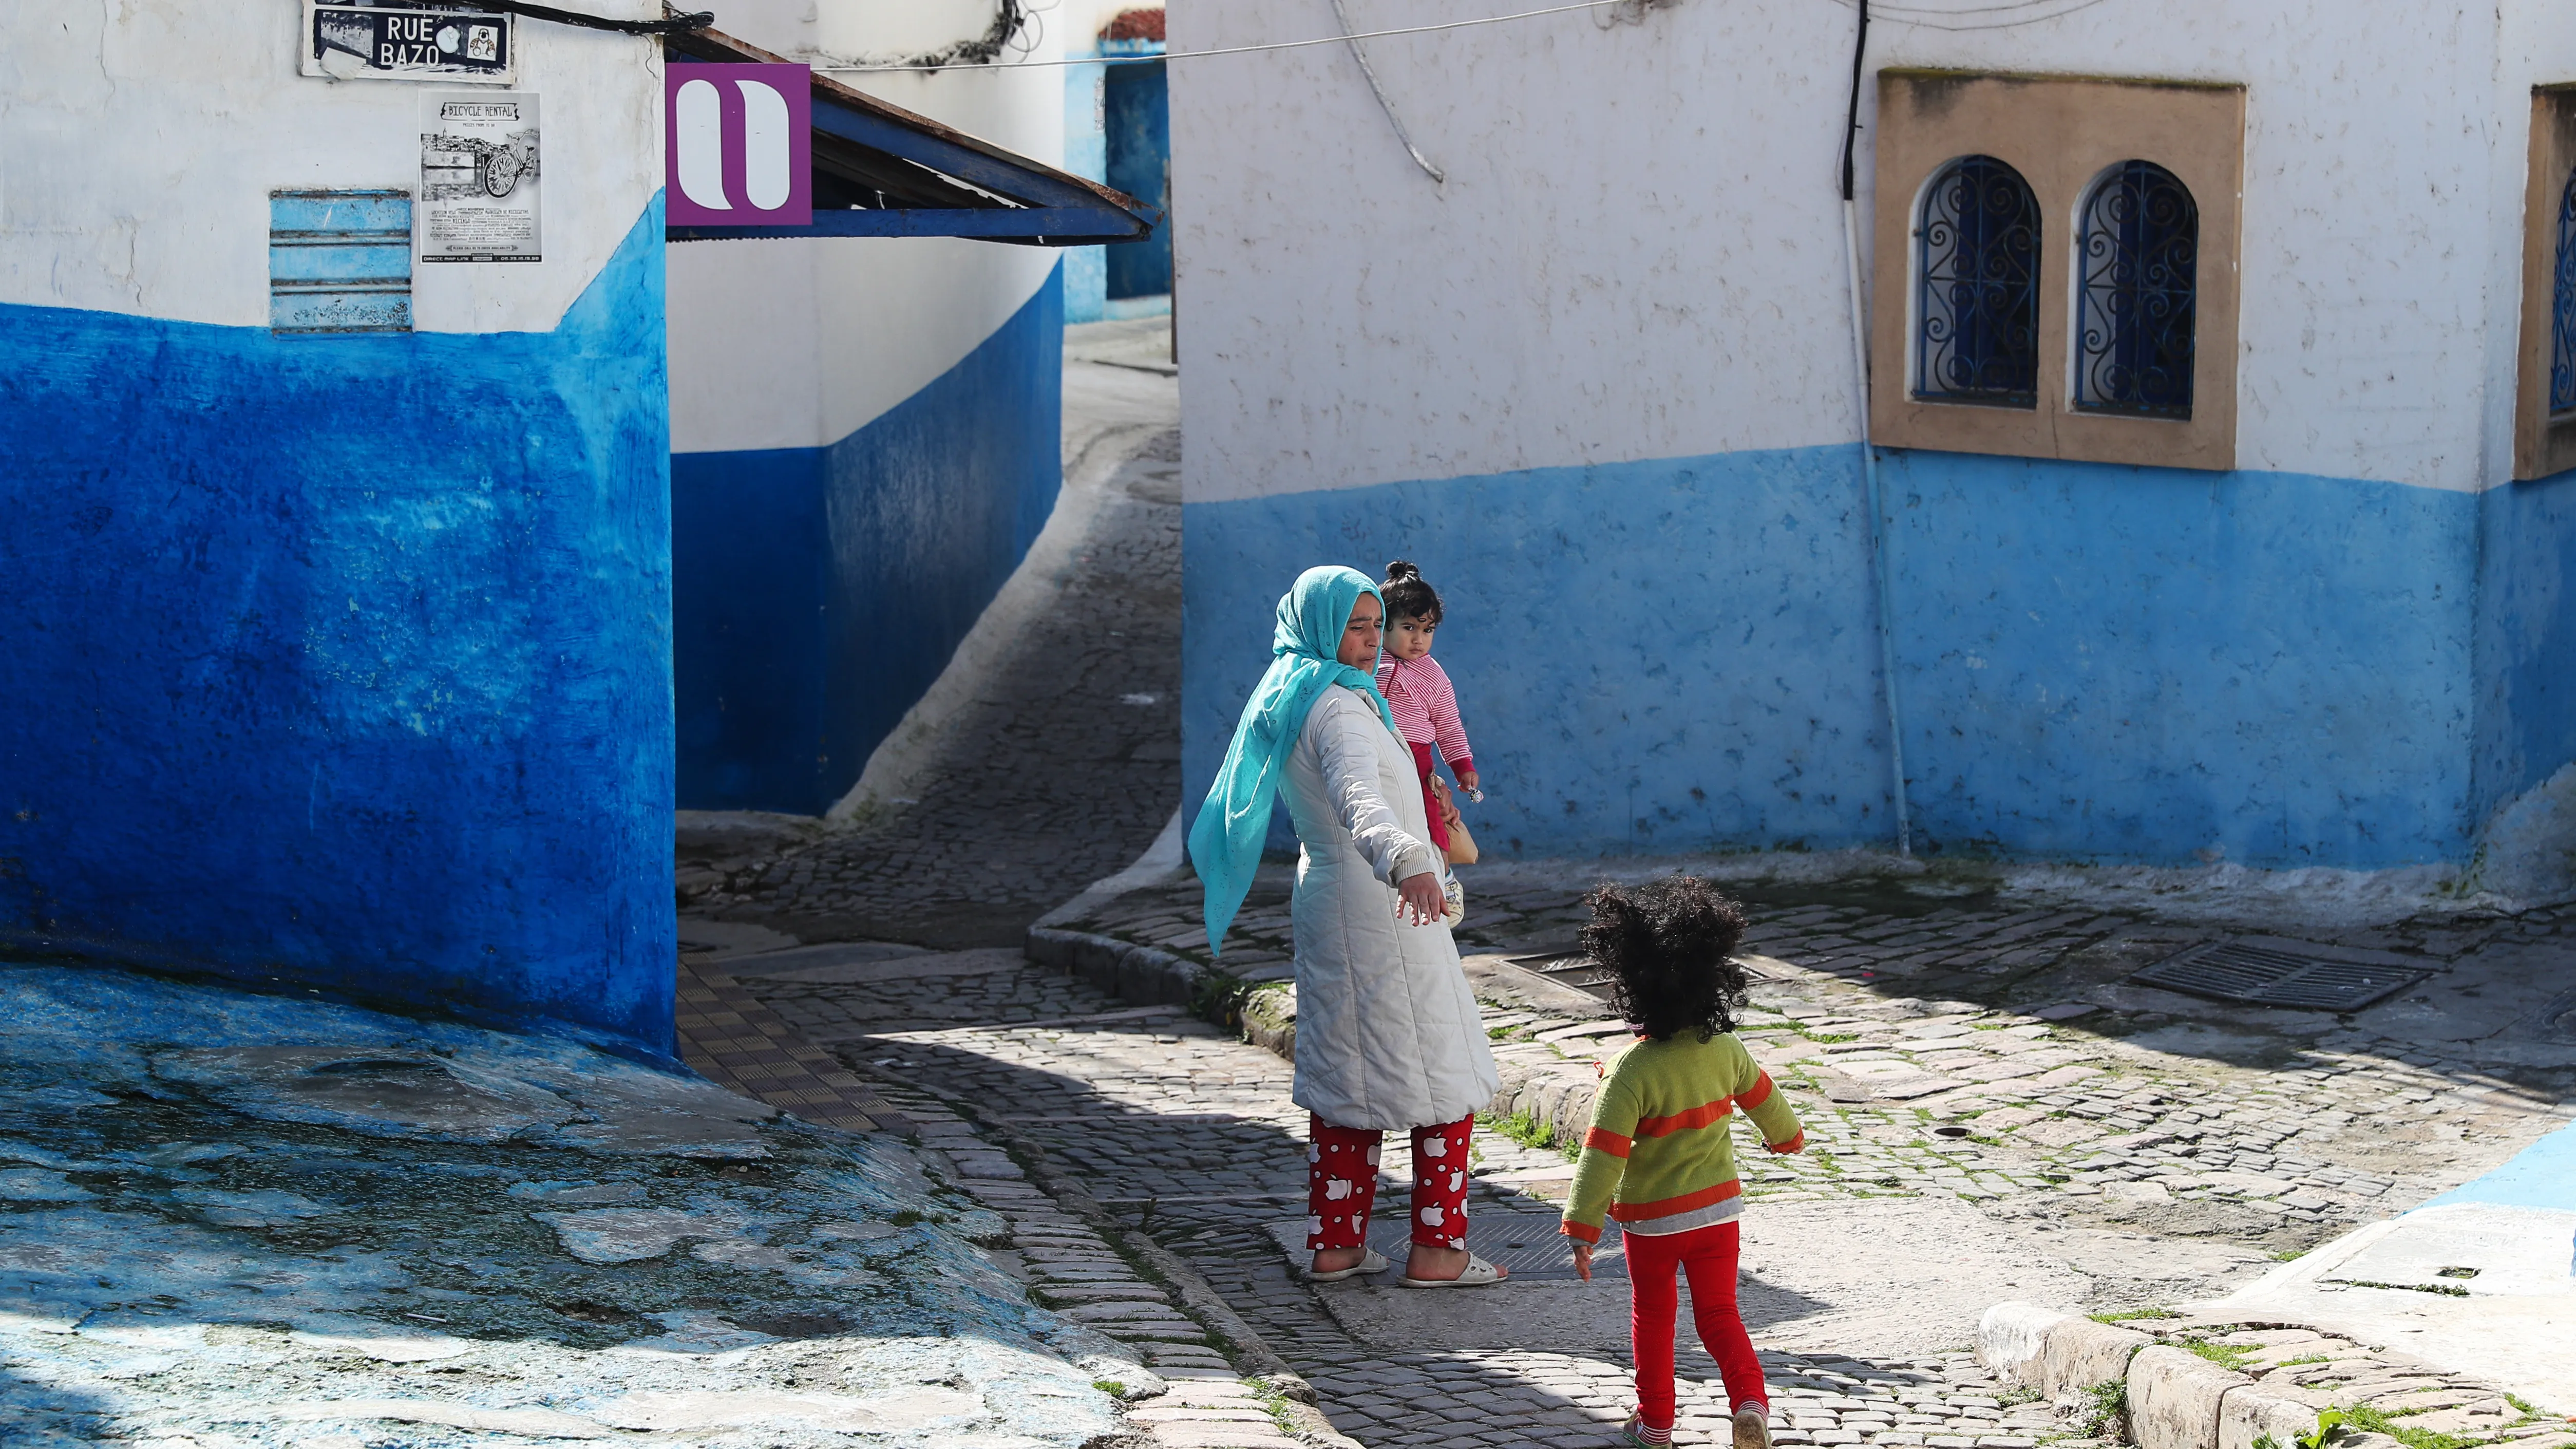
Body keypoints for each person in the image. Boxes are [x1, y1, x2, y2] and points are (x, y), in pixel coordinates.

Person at [1188, 564, 1505, 1288]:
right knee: (1442, 1071)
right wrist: (1407, 859)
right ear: (1322, 629)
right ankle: (1439, 1248)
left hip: (1335, 901)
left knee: (1346, 1075)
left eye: (1373, 624)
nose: (1368, 642)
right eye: (1353, 627)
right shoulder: (1336, 706)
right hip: (1384, 904)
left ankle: (1337, 1244)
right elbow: (1358, 793)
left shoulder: (1300, 688)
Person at [1560, 875, 1805, 1449]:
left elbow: (1603, 1153)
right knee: (1721, 1314)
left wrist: (1582, 1226)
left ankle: (1657, 1426)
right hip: (1718, 1211)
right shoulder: (1726, 1050)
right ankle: (1750, 1402)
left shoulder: (1630, 1070)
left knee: (1655, 1321)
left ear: (1634, 990)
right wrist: (1788, 1140)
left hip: (1652, 1222)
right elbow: (1770, 1105)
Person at [1374, 561, 1479, 859]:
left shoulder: (1433, 676)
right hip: (1372, 756)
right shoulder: (1368, 663)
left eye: (1428, 629)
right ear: (1383, 625)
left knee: (1431, 824)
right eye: (1409, 628)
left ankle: (1444, 880)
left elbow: (1448, 725)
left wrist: (1463, 766)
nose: (1419, 639)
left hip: (1417, 762)